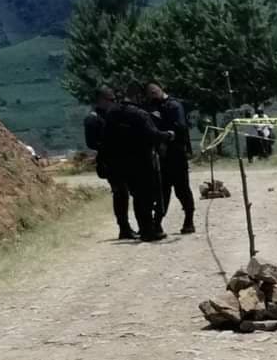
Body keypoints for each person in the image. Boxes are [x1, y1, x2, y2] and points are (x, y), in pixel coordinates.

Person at [104, 82, 174, 242]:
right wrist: (168, 135)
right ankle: (147, 230)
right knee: (144, 198)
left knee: (126, 196)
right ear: (138, 96)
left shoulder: (112, 113)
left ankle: (126, 228)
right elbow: (153, 135)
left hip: (119, 162)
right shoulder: (140, 114)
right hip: (141, 161)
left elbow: (106, 138)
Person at [84, 86, 135, 239]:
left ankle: (131, 226)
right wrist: (111, 145)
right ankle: (124, 227)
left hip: (123, 158)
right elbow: (91, 143)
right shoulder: (93, 118)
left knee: (129, 192)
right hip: (109, 161)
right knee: (120, 193)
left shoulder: (113, 115)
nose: (113, 102)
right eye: (110, 99)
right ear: (101, 99)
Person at [146, 81, 196, 235]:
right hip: (161, 155)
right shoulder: (151, 107)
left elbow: (180, 127)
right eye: (150, 93)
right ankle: (157, 223)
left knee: (182, 189)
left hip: (176, 153)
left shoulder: (174, 106)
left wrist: (166, 135)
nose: (153, 95)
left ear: (161, 89)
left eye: (155, 91)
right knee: (162, 191)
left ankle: (189, 220)